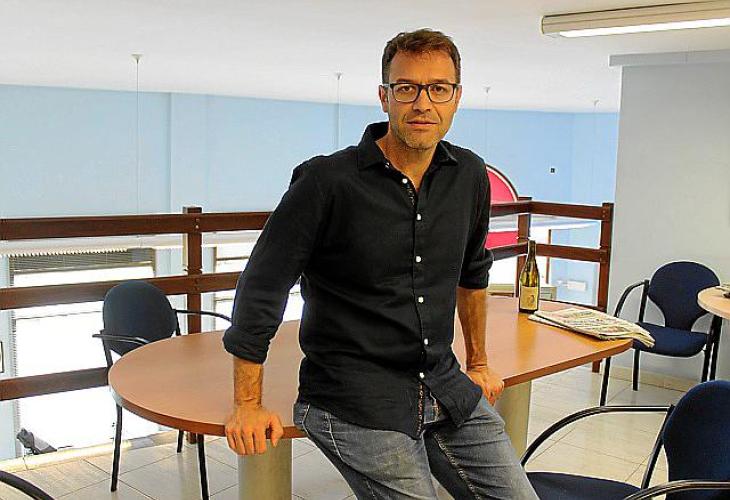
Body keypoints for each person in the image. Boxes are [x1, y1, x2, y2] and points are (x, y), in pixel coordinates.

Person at [222, 28, 537, 500]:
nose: (423, 103)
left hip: (443, 382)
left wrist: (479, 362)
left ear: (456, 98)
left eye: (438, 88)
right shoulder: (326, 182)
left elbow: (473, 272)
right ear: (384, 97)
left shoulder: (470, 174)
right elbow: (262, 287)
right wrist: (247, 403)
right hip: (353, 395)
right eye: (407, 88)